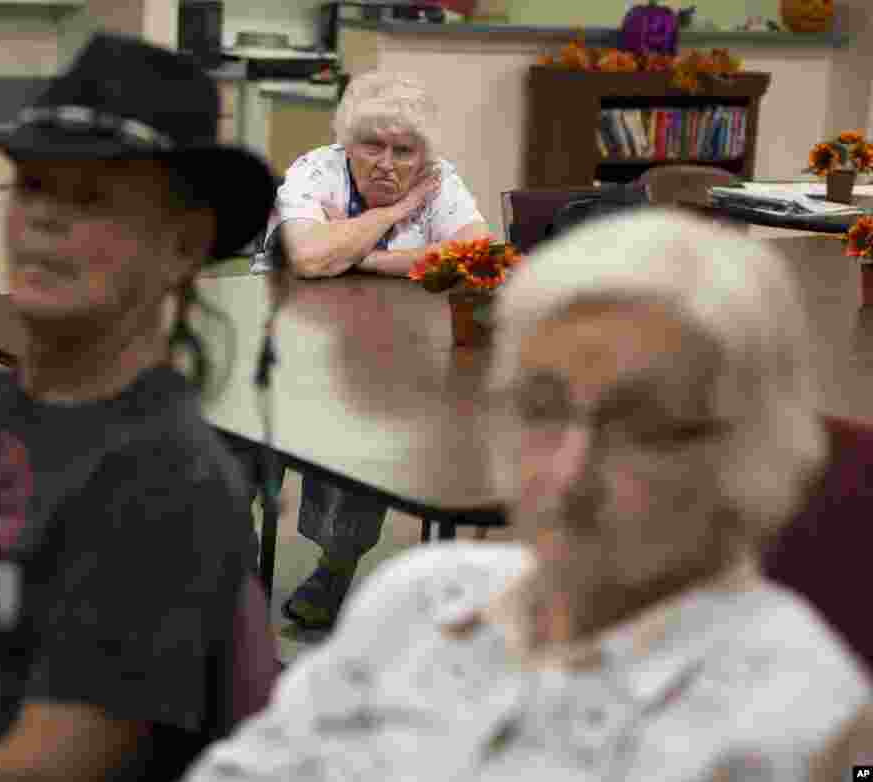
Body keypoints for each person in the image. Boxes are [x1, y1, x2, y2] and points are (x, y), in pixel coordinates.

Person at [185, 209, 872, 780]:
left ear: (749, 448)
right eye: (540, 410)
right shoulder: (424, 596)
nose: (569, 473)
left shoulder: (792, 722)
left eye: (640, 425)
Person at [0, 32, 281, 780]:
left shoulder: (165, 477)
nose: (45, 219)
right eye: (36, 187)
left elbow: (58, 761)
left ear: (183, 245)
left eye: (93, 199)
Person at [248, 71, 492, 631]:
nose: (386, 162)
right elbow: (307, 259)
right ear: (346, 142)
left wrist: (355, 251)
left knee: (379, 420)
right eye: (371, 145)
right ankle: (233, 566)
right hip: (288, 338)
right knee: (240, 436)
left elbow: (477, 253)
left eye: (403, 150)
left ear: (423, 153)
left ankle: (335, 569)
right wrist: (391, 217)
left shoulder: (440, 180)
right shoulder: (316, 170)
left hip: (385, 344)